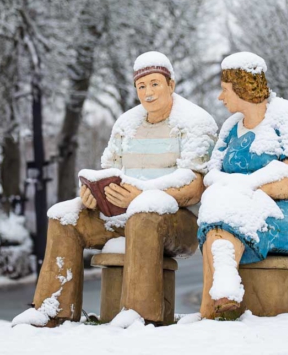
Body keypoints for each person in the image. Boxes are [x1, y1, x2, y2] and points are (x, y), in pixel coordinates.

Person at [13, 51, 217, 327]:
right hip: (122, 215)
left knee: (144, 214)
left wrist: (144, 195)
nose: (148, 93)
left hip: (177, 222)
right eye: (141, 86)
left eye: (155, 84)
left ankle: (140, 316)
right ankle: (54, 310)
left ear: (171, 85)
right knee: (65, 217)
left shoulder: (195, 122)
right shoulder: (126, 124)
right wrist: (93, 195)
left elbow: (195, 186)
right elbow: (110, 171)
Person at [197, 52, 288, 319]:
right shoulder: (230, 127)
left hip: (287, 214)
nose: (221, 97)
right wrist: (236, 190)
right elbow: (211, 176)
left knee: (224, 217)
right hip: (234, 208)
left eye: (225, 90)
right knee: (218, 222)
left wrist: (247, 189)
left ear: (242, 87)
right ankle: (222, 296)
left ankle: (213, 308)